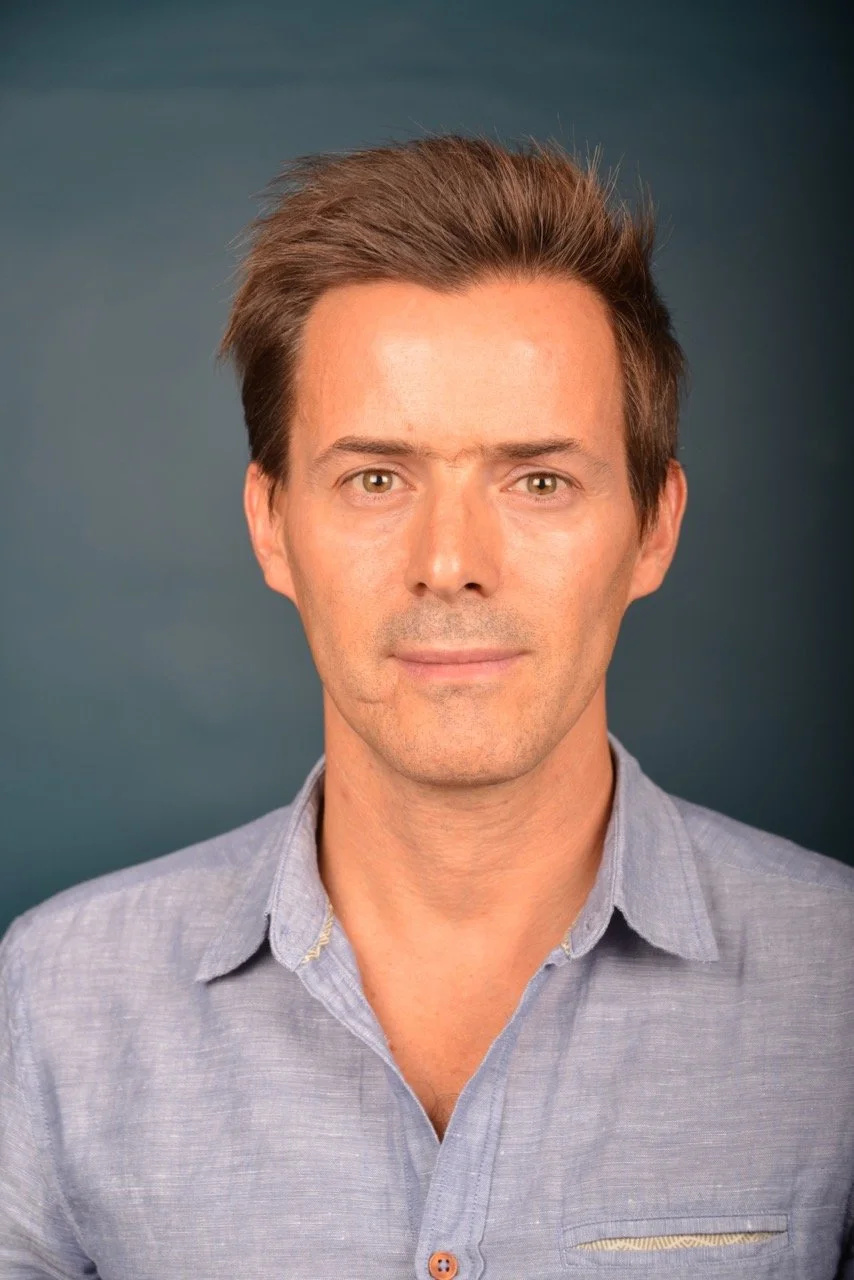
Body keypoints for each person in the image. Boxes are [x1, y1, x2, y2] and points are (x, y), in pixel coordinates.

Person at [1, 134, 851, 1280]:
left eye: (538, 479)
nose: (449, 561)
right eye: (374, 478)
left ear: (653, 526)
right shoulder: (54, 1004)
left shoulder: (835, 989)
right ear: (270, 524)